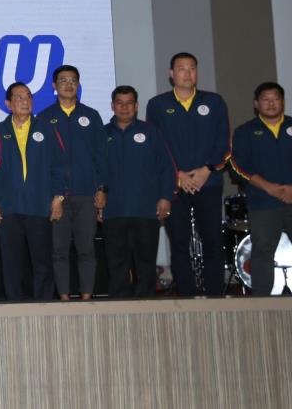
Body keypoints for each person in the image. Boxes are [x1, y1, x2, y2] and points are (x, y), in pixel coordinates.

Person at [230, 82, 292, 295]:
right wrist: (270, 188)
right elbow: (238, 167)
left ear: (283, 102)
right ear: (256, 104)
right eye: (265, 99)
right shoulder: (245, 132)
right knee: (262, 253)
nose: (271, 103)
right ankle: (261, 304)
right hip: (263, 204)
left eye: (275, 98)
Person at [145, 52, 230, 297]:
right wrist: (178, 175)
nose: (187, 73)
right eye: (181, 68)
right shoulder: (158, 104)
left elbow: (223, 142)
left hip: (209, 182)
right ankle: (187, 296)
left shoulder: (213, 102)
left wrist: (207, 170)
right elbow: (157, 146)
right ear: (171, 74)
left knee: (213, 240)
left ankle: (215, 296)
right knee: (179, 243)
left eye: (192, 68)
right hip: (174, 186)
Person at [0, 83, 67, 301]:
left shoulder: (46, 129)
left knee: (42, 262)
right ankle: (15, 304)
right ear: (8, 104)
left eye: (28, 97)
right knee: (11, 263)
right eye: (19, 97)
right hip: (8, 207)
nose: (25, 101)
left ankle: (43, 305)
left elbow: (59, 166)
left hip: (39, 206)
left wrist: (58, 198)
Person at [38, 65, 107, 300]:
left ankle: (87, 296)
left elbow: (101, 156)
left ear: (78, 84)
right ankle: (64, 297)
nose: (68, 84)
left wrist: (101, 188)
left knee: (86, 249)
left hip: (87, 194)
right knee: (59, 251)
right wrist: (53, 196)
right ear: (54, 86)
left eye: (73, 80)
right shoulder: (45, 118)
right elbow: (42, 161)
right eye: (63, 80)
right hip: (57, 197)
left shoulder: (91, 115)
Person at [102, 86, 175, 298]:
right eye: (119, 103)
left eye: (129, 103)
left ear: (136, 106)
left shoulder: (151, 132)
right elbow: (96, 169)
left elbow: (166, 168)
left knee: (145, 264)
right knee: (116, 265)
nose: (124, 107)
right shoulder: (102, 134)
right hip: (113, 211)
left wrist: (165, 198)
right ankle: (120, 308)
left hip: (145, 210)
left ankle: (146, 306)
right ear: (112, 106)